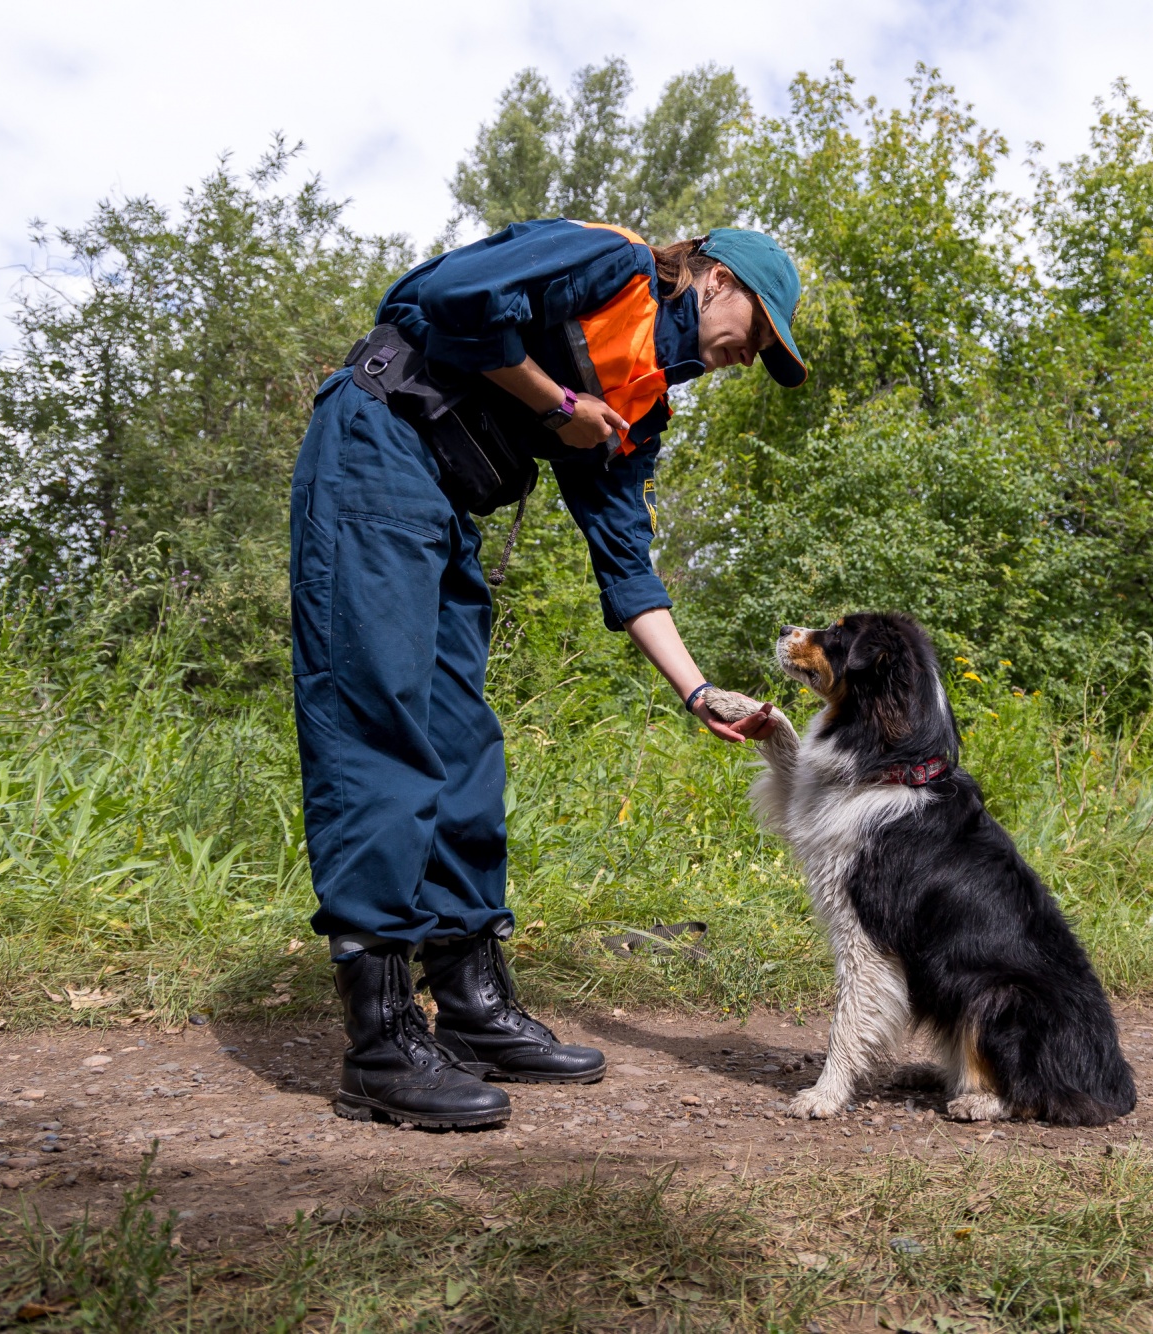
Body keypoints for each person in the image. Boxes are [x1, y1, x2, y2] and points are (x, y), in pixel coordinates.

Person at [289, 221, 804, 1129]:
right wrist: (556, 402)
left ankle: (474, 1005)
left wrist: (696, 691)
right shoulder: (608, 261)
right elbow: (450, 301)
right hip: (376, 447)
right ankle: (378, 1042)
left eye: (765, 353)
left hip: (447, 502)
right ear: (717, 279)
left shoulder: (643, 405)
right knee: (382, 729)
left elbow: (626, 562)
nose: (749, 355)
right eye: (758, 330)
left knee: (462, 745)